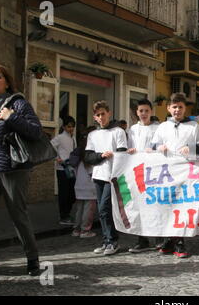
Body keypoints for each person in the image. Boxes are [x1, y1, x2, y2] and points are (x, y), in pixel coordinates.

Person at [0, 63, 42, 289]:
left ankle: (32, 259)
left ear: (7, 81)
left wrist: (12, 117)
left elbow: (35, 131)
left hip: (12, 169)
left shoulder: (18, 103)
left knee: (18, 216)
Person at [150, 93, 199, 259]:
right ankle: (169, 239)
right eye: (174, 107)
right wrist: (159, 147)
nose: (177, 110)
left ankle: (179, 242)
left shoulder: (194, 126)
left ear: (185, 108)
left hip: (186, 173)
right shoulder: (162, 127)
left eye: (180, 107)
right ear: (168, 108)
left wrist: (191, 147)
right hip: (167, 173)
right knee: (167, 206)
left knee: (181, 207)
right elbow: (153, 145)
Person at [84, 101, 128, 256]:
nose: (101, 117)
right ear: (94, 117)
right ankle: (106, 240)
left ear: (109, 113)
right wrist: (101, 155)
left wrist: (113, 158)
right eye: (98, 115)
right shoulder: (92, 135)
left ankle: (112, 241)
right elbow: (88, 157)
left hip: (113, 177)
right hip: (98, 175)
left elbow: (123, 155)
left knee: (104, 208)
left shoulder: (118, 132)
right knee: (102, 211)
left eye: (103, 113)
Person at [126, 99, 162, 253]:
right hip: (138, 172)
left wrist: (154, 151)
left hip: (154, 172)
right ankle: (142, 239)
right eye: (141, 111)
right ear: (137, 112)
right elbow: (127, 149)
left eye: (147, 111)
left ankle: (160, 238)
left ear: (151, 112)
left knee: (155, 205)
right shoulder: (132, 129)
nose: (144, 114)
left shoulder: (158, 128)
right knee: (139, 206)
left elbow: (160, 148)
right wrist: (130, 151)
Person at [69, 126, 97, 238]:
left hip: (79, 183)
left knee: (79, 208)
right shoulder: (91, 151)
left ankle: (76, 229)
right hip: (89, 185)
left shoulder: (79, 150)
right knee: (88, 209)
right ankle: (85, 230)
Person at [51, 116, 77, 225]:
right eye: (69, 127)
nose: (71, 129)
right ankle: (64, 216)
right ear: (64, 127)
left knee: (71, 193)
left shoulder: (73, 138)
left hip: (71, 168)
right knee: (64, 193)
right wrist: (57, 158)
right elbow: (50, 146)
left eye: (72, 127)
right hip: (62, 169)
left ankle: (68, 213)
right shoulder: (60, 137)